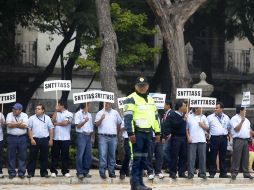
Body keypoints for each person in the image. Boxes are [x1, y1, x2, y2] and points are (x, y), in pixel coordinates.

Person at [124, 76, 160, 190]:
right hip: (137, 134)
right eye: (140, 86)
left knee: (144, 159)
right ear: (135, 87)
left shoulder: (150, 99)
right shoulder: (131, 98)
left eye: (144, 86)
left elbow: (155, 117)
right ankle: (135, 184)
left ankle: (140, 183)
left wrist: (158, 132)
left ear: (148, 86)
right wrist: (130, 133)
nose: (142, 88)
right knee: (136, 159)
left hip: (148, 133)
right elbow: (127, 118)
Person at [95, 102, 122, 179]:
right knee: (103, 155)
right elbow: (96, 124)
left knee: (112, 155)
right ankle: (102, 172)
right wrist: (101, 118)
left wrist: (117, 133)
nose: (106, 104)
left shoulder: (115, 112)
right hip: (103, 136)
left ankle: (111, 172)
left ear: (111, 104)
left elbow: (119, 123)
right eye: (105, 103)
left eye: (108, 103)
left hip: (113, 137)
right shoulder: (100, 113)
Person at [27, 103, 54, 178]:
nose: (36, 110)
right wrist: (31, 138)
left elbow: (51, 128)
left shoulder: (47, 118)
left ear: (43, 110)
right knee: (32, 157)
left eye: (38, 109)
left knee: (44, 157)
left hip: (44, 139)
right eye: (36, 108)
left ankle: (44, 173)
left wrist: (51, 139)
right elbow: (29, 129)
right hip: (34, 139)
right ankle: (30, 173)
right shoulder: (32, 118)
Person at [207, 102, 231, 178]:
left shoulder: (226, 117)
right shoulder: (210, 117)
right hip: (214, 138)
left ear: (221, 109)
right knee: (213, 155)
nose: (215, 109)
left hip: (223, 138)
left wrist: (228, 134)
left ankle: (223, 173)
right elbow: (207, 128)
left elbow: (229, 127)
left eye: (217, 108)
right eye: (215, 108)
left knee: (223, 156)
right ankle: (212, 172)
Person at [50, 100, 73, 178]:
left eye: (58, 105)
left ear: (62, 106)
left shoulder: (69, 114)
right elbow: (52, 121)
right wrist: (55, 111)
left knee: (65, 156)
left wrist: (57, 123)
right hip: (56, 137)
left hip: (65, 138)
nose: (56, 107)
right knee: (54, 155)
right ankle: (53, 171)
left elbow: (65, 123)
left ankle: (65, 171)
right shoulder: (56, 113)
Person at [230, 106, 254, 180]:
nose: (246, 111)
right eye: (245, 110)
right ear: (241, 111)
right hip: (238, 139)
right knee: (236, 157)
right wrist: (242, 121)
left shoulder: (247, 120)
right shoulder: (234, 118)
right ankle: (234, 172)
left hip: (246, 140)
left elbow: (248, 130)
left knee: (245, 157)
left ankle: (246, 173)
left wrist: (251, 137)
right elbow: (237, 129)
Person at [6, 103, 28, 179]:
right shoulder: (9, 114)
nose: (14, 110)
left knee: (22, 155)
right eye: (13, 108)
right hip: (11, 137)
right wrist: (19, 123)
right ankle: (12, 172)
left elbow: (25, 126)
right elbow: (9, 125)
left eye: (16, 109)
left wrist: (14, 124)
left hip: (22, 138)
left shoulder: (24, 115)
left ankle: (21, 172)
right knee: (11, 155)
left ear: (20, 110)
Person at [186, 107, 209, 179]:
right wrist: (188, 137)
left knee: (202, 157)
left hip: (202, 139)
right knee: (191, 157)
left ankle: (202, 173)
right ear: (196, 109)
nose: (201, 109)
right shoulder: (189, 116)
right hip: (192, 140)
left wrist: (202, 125)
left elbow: (207, 128)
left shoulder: (203, 117)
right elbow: (186, 129)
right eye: (200, 108)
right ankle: (191, 173)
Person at [168, 100, 188, 179]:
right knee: (174, 155)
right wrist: (183, 119)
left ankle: (181, 172)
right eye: (184, 106)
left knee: (183, 155)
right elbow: (175, 125)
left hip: (184, 137)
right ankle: (172, 172)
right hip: (176, 137)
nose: (186, 107)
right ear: (180, 107)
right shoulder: (173, 114)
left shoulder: (184, 115)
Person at [74, 103, 93, 179]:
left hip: (88, 135)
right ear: (85, 106)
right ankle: (79, 172)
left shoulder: (90, 114)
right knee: (80, 155)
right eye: (88, 105)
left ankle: (85, 171)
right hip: (81, 135)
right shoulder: (78, 114)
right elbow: (77, 126)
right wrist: (84, 121)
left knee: (88, 155)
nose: (89, 107)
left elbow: (91, 126)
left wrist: (92, 137)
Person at [161, 99, 173, 173]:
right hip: (165, 136)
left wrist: (171, 134)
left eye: (164, 105)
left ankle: (170, 166)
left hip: (170, 136)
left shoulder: (172, 113)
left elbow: (173, 125)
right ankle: (168, 166)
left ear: (168, 105)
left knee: (165, 150)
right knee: (166, 151)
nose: (163, 106)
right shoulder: (165, 114)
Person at [0, 111, 5, 178]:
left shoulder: (1, 115)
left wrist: (2, 123)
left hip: (0, 138)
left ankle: (0, 170)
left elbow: (4, 126)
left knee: (0, 155)